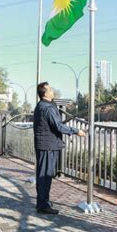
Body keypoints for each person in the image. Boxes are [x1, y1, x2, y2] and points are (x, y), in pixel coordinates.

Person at [33, 82, 86, 214]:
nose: (53, 91)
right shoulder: (48, 108)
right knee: (45, 175)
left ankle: (42, 202)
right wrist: (76, 131)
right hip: (48, 146)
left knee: (43, 174)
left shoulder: (40, 106)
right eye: (50, 89)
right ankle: (43, 205)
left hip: (44, 145)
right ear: (45, 93)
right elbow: (59, 126)